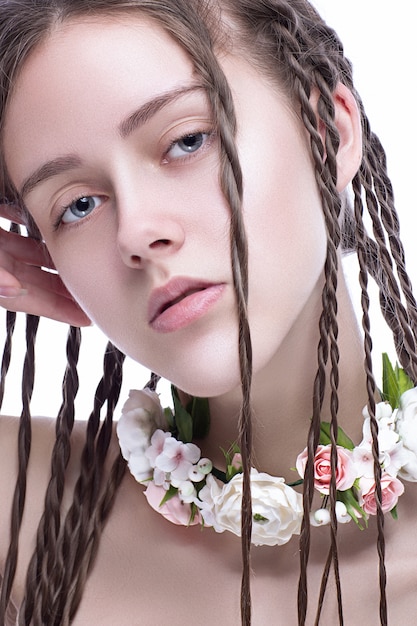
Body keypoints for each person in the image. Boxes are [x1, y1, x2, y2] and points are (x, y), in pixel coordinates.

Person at [0, 0, 416, 624]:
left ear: (328, 131)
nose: (137, 232)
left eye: (187, 141)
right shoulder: (21, 513)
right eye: (78, 206)